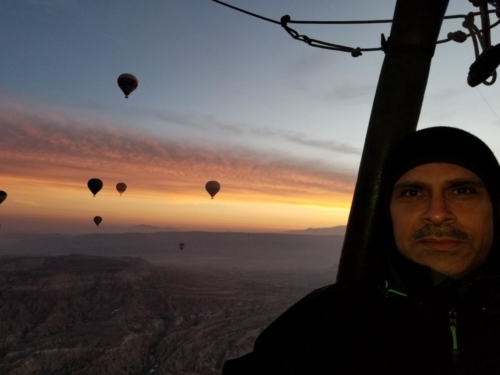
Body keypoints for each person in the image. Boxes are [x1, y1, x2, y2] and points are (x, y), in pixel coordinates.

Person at [222, 126, 500, 375]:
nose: (437, 214)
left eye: (462, 191)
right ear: (388, 212)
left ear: (495, 207)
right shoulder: (322, 320)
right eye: (413, 193)